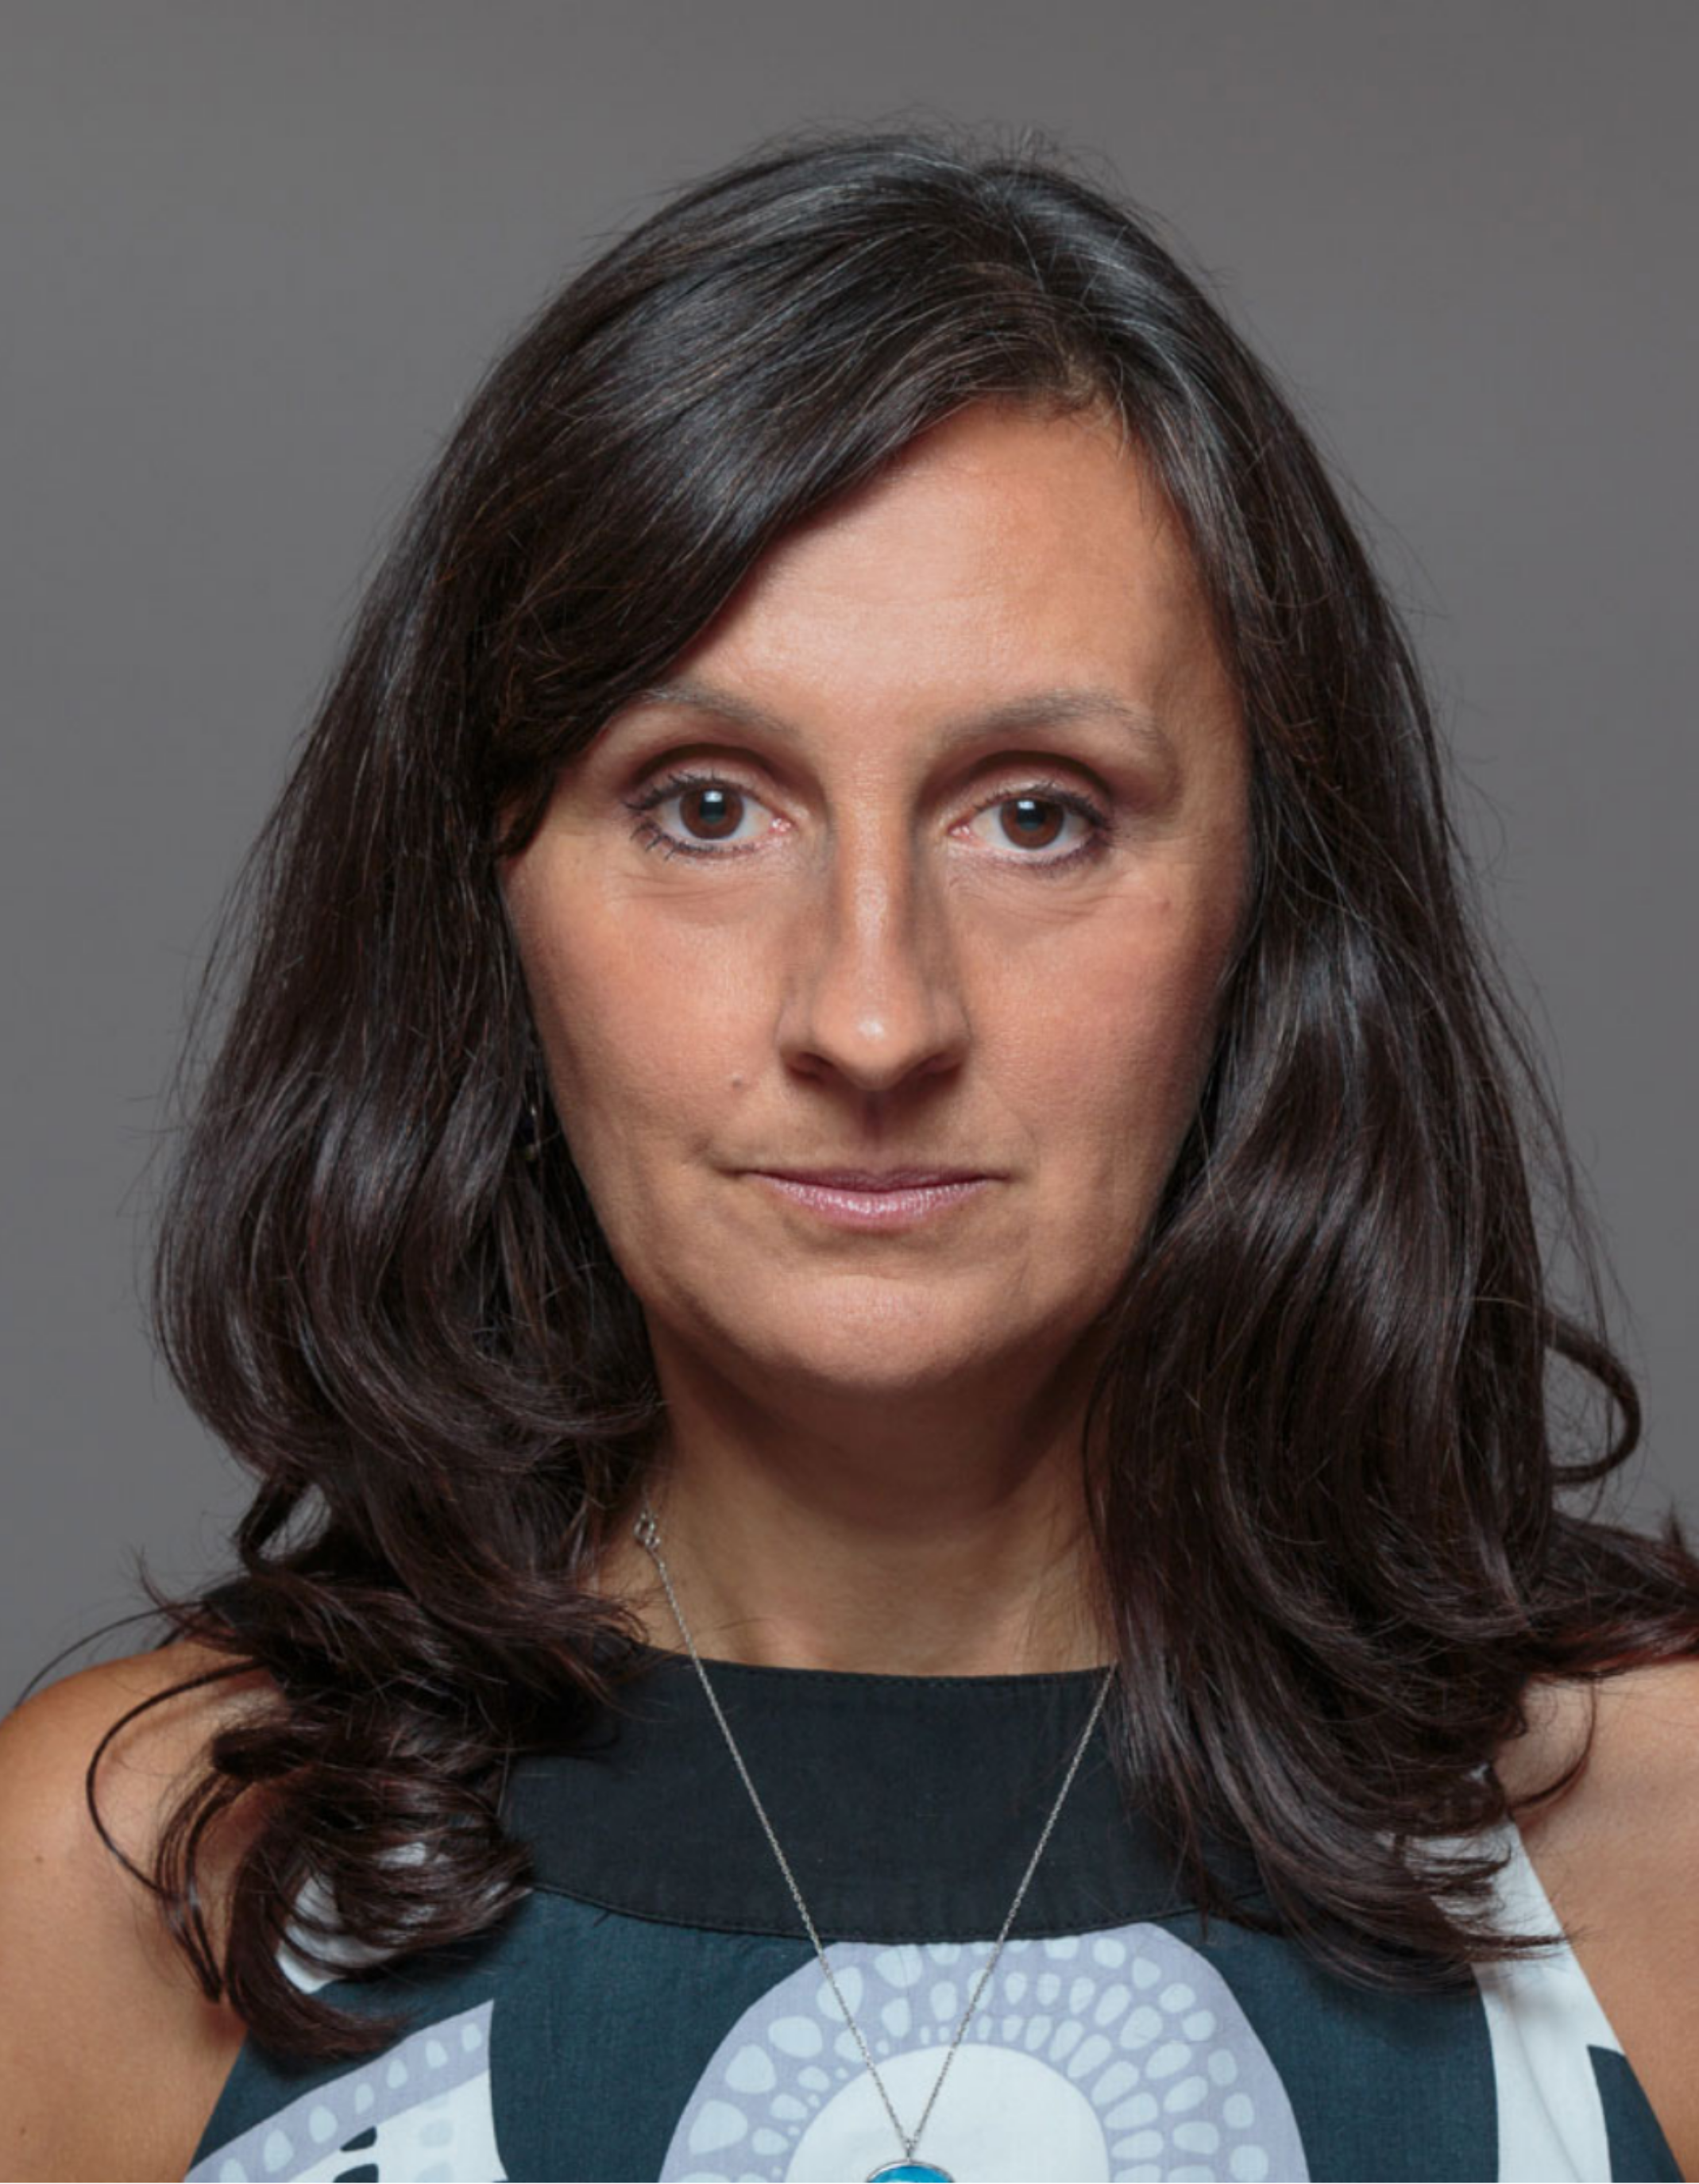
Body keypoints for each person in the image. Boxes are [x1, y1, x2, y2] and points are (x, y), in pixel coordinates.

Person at [2, 123, 1695, 2184]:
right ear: (489, 894)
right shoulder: (128, 1884)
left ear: (1269, 902)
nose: (875, 1019)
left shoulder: (1660, 1848)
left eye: (1038, 812)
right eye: (707, 806)